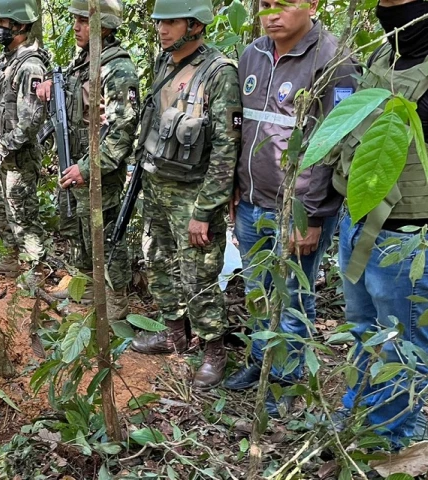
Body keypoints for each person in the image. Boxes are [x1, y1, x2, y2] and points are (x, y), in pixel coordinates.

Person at [223, 0, 357, 415]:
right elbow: (240, 128)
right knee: (257, 289)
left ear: (312, 4)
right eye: (265, 4)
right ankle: (261, 362)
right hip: (251, 200)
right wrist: (234, 188)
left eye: (284, 3)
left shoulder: (335, 60)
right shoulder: (252, 54)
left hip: (298, 209)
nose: (272, 13)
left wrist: (313, 214)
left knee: (294, 295)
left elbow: (335, 143)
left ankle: (285, 379)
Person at [129, 0, 241, 389]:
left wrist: (205, 210)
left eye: (171, 22)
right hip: (156, 183)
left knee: (199, 275)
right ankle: (175, 331)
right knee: (157, 260)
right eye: (159, 21)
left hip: (193, 194)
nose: (162, 29)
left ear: (195, 24)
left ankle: (214, 350)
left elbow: (227, 149)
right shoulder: (165, 63)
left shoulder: (219, 73)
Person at [333, 0, 428, 448]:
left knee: (401, 345)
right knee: (362, 329)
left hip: (407, 235)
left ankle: (391, 440)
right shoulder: (383, 53)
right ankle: (360, 410)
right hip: (359, 221)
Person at [36, 0, 138, 321]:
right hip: (76, 163)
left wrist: (88, 166)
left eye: (84, 20)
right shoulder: (84, 62)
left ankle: (116, 299)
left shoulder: (117, 68)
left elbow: (122, 131)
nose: (77, 27)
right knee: (80, 229)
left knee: (107, 235)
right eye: (76, 20)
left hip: (99, 169)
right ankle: (88, 287)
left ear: (104, 25)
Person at [0, 0, 48, 277]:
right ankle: (9, 260)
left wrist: (2, 146)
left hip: (18, 157)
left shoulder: (30, 66)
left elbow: (31, 120)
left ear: (20, 26)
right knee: (0, 211)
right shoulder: (5, 59)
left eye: (2, 24)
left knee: (23, 217)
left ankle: (35, 270)